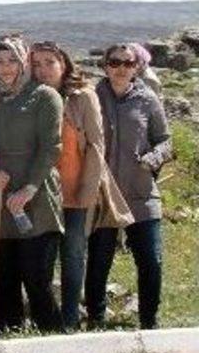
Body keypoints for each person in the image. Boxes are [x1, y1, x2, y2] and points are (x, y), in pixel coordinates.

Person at [30, 41, 131, 330]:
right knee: (42, 259)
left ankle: (70, 319)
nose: (43, 69)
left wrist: (88, 192)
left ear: (63, 63)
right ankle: (46, 319)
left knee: (73, 256)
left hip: (76, 190)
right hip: (43, 193)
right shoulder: (33, 97)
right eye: (36, 64)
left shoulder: (83, 96)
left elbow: (97, 146)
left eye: (50, 62)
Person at [0, 35, 65, 333]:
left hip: (37, 196)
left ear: (24, 61)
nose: (6, 67)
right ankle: (6, 339)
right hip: (1, 199)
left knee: (36, 277)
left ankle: (51, 338)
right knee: (4, 278)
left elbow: (51, 147)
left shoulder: (45, 96)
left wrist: (29, 189)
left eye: (12, 60)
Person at [88, 43, 173, 329]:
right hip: (103, 195)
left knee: (151, 261)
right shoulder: (93, 97)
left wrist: (152, 159)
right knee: (98, 262)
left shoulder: (148, 99)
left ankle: (149, 322)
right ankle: (96, 320)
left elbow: (165, 140)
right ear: (105, 66)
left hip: (141, 193)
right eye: (115, 62)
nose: (121, 68)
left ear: (137, 67)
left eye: (128, 63)